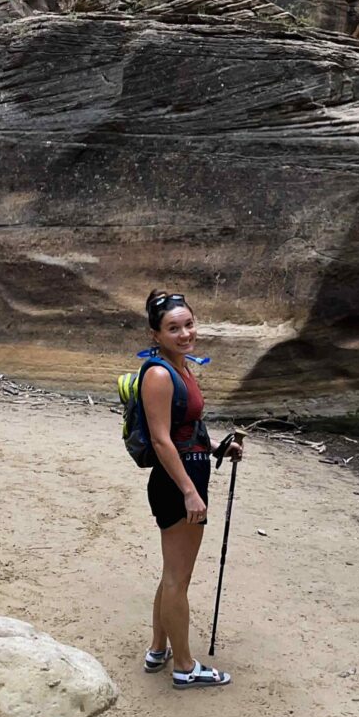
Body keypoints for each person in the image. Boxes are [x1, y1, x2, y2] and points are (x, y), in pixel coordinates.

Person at [138, 286, 243, 689]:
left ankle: (158, 648)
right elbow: (162, 439)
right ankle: (184, 666)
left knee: (171, 573)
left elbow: (186, 429)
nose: (185, 333)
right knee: (178, 579)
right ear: (156, 334)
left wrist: (219, 446)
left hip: (188, 473)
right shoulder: (161, 374)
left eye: (189, 324)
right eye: (173, 328)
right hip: (177, 482)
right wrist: (189, 491)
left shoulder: (181, 366)